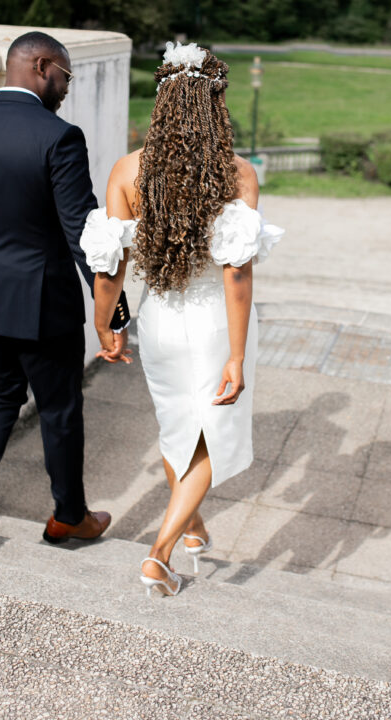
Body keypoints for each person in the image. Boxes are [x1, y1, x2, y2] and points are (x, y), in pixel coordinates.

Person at [80, 42, 283, 596]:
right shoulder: (238, 174)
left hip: (162, 322)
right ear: (215, 107)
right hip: (218, 324)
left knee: (178, 433)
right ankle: (159, 554)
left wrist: (106, 325)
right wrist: (238, 357)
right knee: (208, 440)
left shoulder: (128, 171)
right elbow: (236, 276)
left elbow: (108, 268)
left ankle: (191, 531)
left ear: (162, 106)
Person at [0, 31, 131, 555]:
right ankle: (68, 518)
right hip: (42, 305)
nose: (65, 87)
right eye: (65, 75)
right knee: (59, 409)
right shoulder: (58, 136)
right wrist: (113, 313)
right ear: (41, 66)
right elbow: (82, 234)